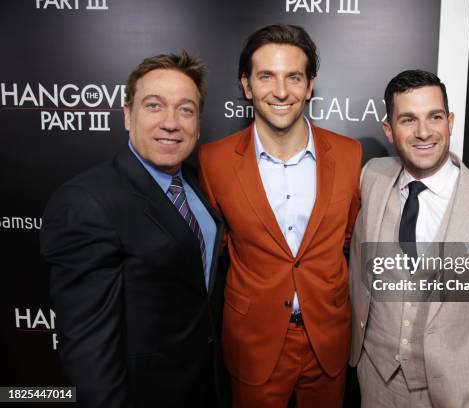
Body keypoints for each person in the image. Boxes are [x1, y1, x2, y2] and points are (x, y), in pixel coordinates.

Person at [40, 51, 225, 408]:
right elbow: (89, 352)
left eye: (185, 110)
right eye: (154, 106)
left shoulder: (195, 184)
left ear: (198, 124)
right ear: (127, 116)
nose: (171, 123)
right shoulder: (86, 202)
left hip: (205, 386)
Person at [349, 69, 469, 407]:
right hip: (375, 382)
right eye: (408, 120)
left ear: (450, 121)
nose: (424, 132)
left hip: (460, 393)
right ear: (389, 131)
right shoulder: (372, 176)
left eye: (434, 117)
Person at [199, 24, 361, 407]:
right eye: (266, 76)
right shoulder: (213, 161)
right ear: (247, 85)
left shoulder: (350, 154)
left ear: (309, 86)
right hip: (253, 339)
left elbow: (349, 235)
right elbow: (218, 245)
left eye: (294, 77)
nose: (282, 91)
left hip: (327, 336)